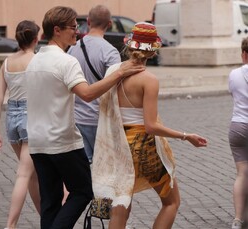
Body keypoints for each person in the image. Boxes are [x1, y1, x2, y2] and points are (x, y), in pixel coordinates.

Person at [25, 6, 145, 229]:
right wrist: (120, 72)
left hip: (38, 142)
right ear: (57, 30)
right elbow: (87, 94)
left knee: (50, 201)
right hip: (63, 141)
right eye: (73, 27)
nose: (77, 32)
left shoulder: (34, 61)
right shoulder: (66, 61)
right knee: (82, 191)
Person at [91, 22, 208, 229]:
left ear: (129, 46)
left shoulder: (113, 72)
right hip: (142, 147)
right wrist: (185, 135)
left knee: (121, 206)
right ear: (153, 51)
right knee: (171, 202)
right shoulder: (149, 80)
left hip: (118, 146)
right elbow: (151, 126)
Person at [0, 20, 41, 229]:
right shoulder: (37, 61)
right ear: (36, 38)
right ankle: (10, 225)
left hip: (13, 117)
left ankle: (46, 219)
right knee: (25, 173)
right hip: (32, 117)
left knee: (31, 175)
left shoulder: (7, 63)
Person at [68, 5, 121, 163]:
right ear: (109, 24)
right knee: (104, 167)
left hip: (76, 118)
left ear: (88, 21)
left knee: (82, 168)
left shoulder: (72, 49)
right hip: (100, 118)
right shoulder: (110, 52)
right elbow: (115, 87)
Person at [228, 37, 248, 229]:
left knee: (242, 173)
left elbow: (233, 93)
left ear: (244, 54)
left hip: (239, 126)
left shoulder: (234, 74)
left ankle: (238, 219)